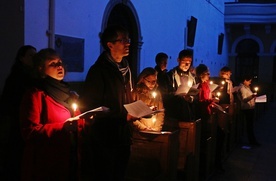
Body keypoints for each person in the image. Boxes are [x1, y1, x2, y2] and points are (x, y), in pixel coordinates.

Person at [80, 25, 135, 181]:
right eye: (123, 40)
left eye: (128, 39)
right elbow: (92, 106)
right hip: (105, 138)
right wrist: (123, 117)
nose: (128, 43)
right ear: (110, 45)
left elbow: (127, 97)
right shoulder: (98, 71)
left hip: (123, 135)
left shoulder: (126, 69)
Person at [20, 48, 83, 181]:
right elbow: (29, 131)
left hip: (69, 157)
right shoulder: (35, 95)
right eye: (53, 64)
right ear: (41, 69)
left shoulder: (68, 93)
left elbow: (75, 122)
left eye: (60, 62)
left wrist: (86, 120)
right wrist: (62, 127)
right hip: (47, 162)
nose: (59, 66)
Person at [0, 45, 36, 180]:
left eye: (35, 55)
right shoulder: (18, 77)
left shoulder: (31, 75)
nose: (34, 58)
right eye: (31, 55)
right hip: (17, 121)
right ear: (21, 58)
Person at [164, 49, 196, 127]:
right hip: (174, 114)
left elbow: (195, 95)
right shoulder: (170, 76)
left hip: (188, 113)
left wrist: (191, 98)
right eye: (184, 61)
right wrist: (177, 95)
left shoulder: (193, 78)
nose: (187, 65)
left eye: (189, 62)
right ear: (178, 60)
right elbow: (165, 94)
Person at [132, 67, 164, 131]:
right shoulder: (136, 93)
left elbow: (160, 113)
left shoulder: (157, 94)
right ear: (143, 79)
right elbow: (132, 114)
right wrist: (143, 128)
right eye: (149, 81)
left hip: (154, 130)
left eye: (154, 81)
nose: (152, 84)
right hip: (140, 130)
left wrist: (157, 129)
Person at [238, 74, 260, 147]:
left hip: (250, 108)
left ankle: (252, 140)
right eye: (249, 81)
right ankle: (252, 140)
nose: (250, 82)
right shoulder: (242, 88)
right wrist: (252, 96)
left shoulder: (246, 87)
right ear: (245, 81)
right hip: (247, 109)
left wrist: (254, 98)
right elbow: (244, 100)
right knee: (249, 126)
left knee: (250, 125)